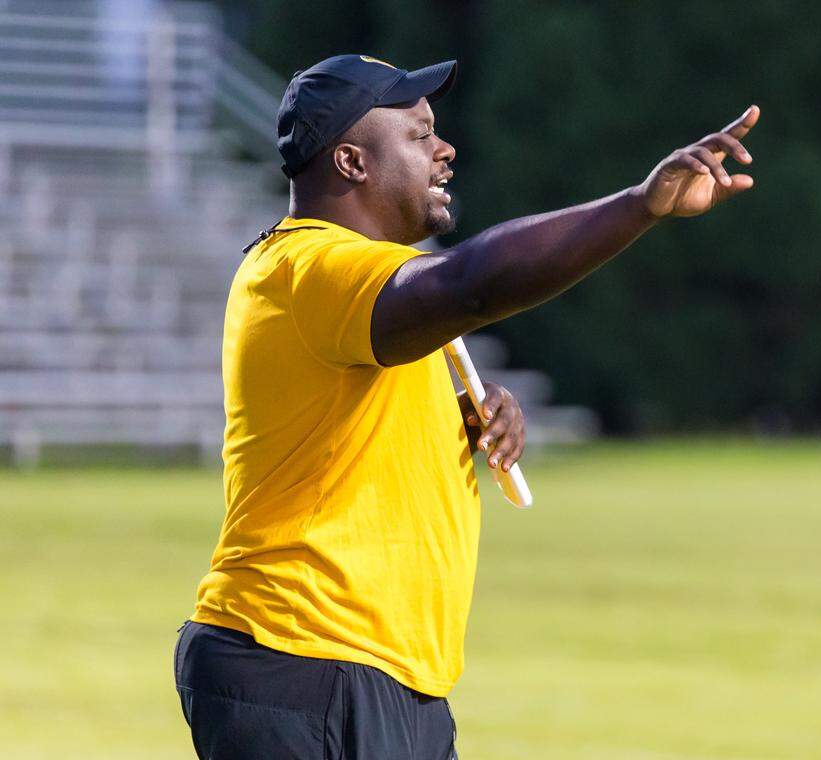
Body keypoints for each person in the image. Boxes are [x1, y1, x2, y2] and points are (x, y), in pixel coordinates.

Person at [174, 53, 758, 760]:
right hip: (304, 657)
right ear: (353, 162)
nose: (445, 149)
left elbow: (338, 427)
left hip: (375, 671)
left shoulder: (358, 287)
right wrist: (640, 206)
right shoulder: (312, 265)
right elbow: (472, 284)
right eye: (419, 135)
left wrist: (450, 417)